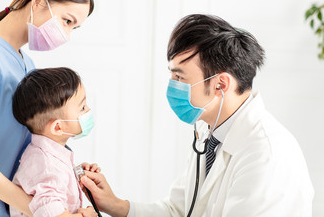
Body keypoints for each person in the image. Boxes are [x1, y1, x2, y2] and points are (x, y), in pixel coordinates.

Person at [79, 14, 314, 216]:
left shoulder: (265, 155)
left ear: (221, 84)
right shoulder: (210, 133)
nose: (172, 86)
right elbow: (179, 211)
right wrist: (115, 206)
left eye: (180, 77)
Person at [0, 0, 94, 216]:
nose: (66, 35)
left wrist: (69, 176)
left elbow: (27, 153)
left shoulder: (27, 64)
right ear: (39, 0)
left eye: (73, 27)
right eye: (67, 21)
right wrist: (43, 209)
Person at [10, 67, 98, 217]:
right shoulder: (46, 166)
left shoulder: (47, 156)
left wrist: (75, 175)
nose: (88, 110)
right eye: (82, 108)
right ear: (58, 127)